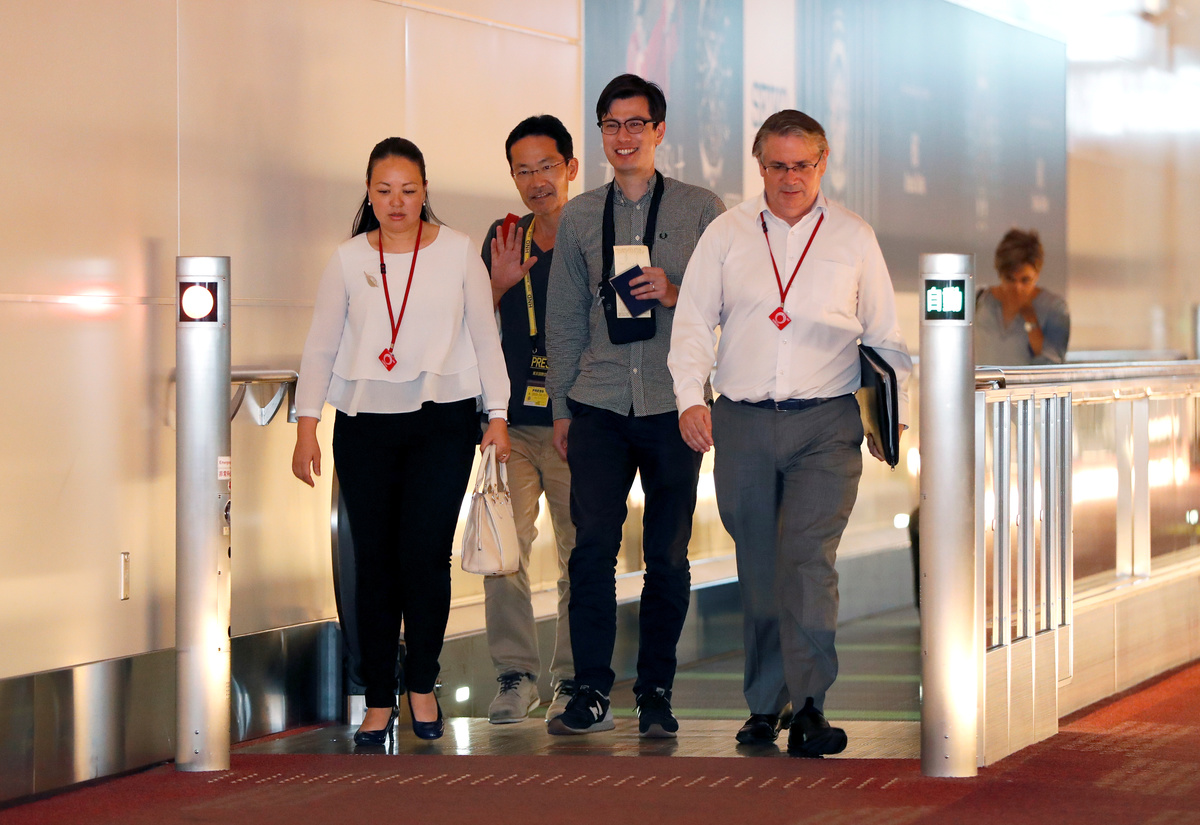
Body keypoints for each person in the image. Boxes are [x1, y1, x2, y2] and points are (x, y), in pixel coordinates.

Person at [668, 109, 912, 757]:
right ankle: (763, 703)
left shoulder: (853, 237)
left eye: (802, 165)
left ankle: (808, 705)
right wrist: (690, 399)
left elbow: (886, 338)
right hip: (742, 421)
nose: (790, 178)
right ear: (760, 165)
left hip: (826, 423)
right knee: (758, 565)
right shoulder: (726, 234)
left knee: (806, 559)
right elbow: (692, 323)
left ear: (823, 163)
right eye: (777, 165)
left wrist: (893, 416)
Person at [291, 137, 510, 746]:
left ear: (424, 191)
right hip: (365, 425)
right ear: (368, 192)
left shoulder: (458, 251)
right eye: (384, 191)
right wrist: (307, 427)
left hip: (443, 422)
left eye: (409, 190)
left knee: (424, 558)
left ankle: (422, 684)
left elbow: (485, 337)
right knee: (375, 562)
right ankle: (377, 698)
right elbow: (321, 345)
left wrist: (496, 414)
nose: (397, 202)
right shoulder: (348, 259)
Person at [545, 73, 725, 738]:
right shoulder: (579, 216)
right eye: (612, 125)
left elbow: (731, 304)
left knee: (667, 554)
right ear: (601, 134)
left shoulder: (702, 209)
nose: (624, 137)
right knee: (591, 548)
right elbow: (564, 318)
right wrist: (562, 409)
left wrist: (676, 292)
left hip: (674, 404)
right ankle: (591, 688)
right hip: (597, 401)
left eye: (636, 124)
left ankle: (655, 691)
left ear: (659, 130)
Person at [480, 115, 580, 725]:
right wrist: (495, 287)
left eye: (547, 167)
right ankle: (515, 674)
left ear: (570, 168)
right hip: (511, 423)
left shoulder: (593, 232)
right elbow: (472, 323)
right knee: (502, 549)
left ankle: (572, 678)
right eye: (524, 170)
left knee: (579, 553)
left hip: (577, 424)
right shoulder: (505, 236)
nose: (537, 180)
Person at [975, 228, 1069, 366]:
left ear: (1037, 275)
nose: (1017, 288)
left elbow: (1052, 365)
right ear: (1000, 274)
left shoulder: (1055, 308)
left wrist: (1030, 316)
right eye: (1010, 279)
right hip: (984, 380)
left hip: (1027, 381)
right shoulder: (980, 300)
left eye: (1025, 280)